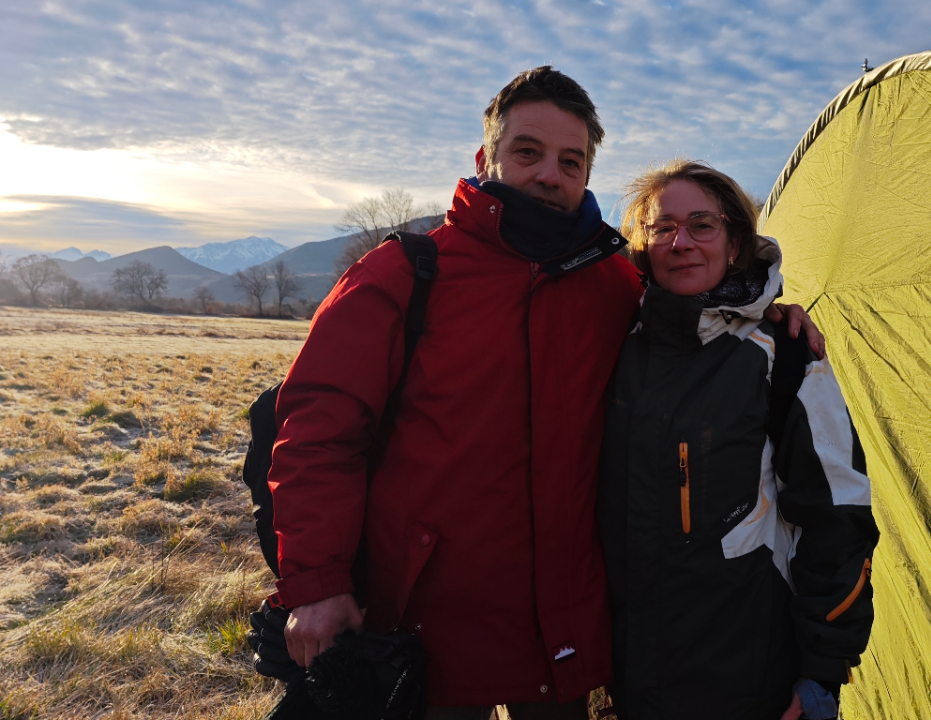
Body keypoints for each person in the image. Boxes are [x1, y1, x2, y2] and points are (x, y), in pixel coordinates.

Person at [267, 67, 822, 719]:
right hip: (425, 629)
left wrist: (775, 313)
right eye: (527, 152)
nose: (549, 175)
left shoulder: (615, 285)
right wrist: (318, 583)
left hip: (564, 629)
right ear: (486, 157)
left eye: (571, 160)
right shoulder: (403, 273)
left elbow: (696, 306)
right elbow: (315, 435)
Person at [597, 160, 878, 720]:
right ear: (642, 244)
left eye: (702, 224)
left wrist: (823, 669)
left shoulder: (785, 354)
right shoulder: (611, 346)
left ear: (734, 243)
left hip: (749, 678)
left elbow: (839, 517)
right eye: (663, 227)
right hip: (629, 675)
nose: (682, 242)